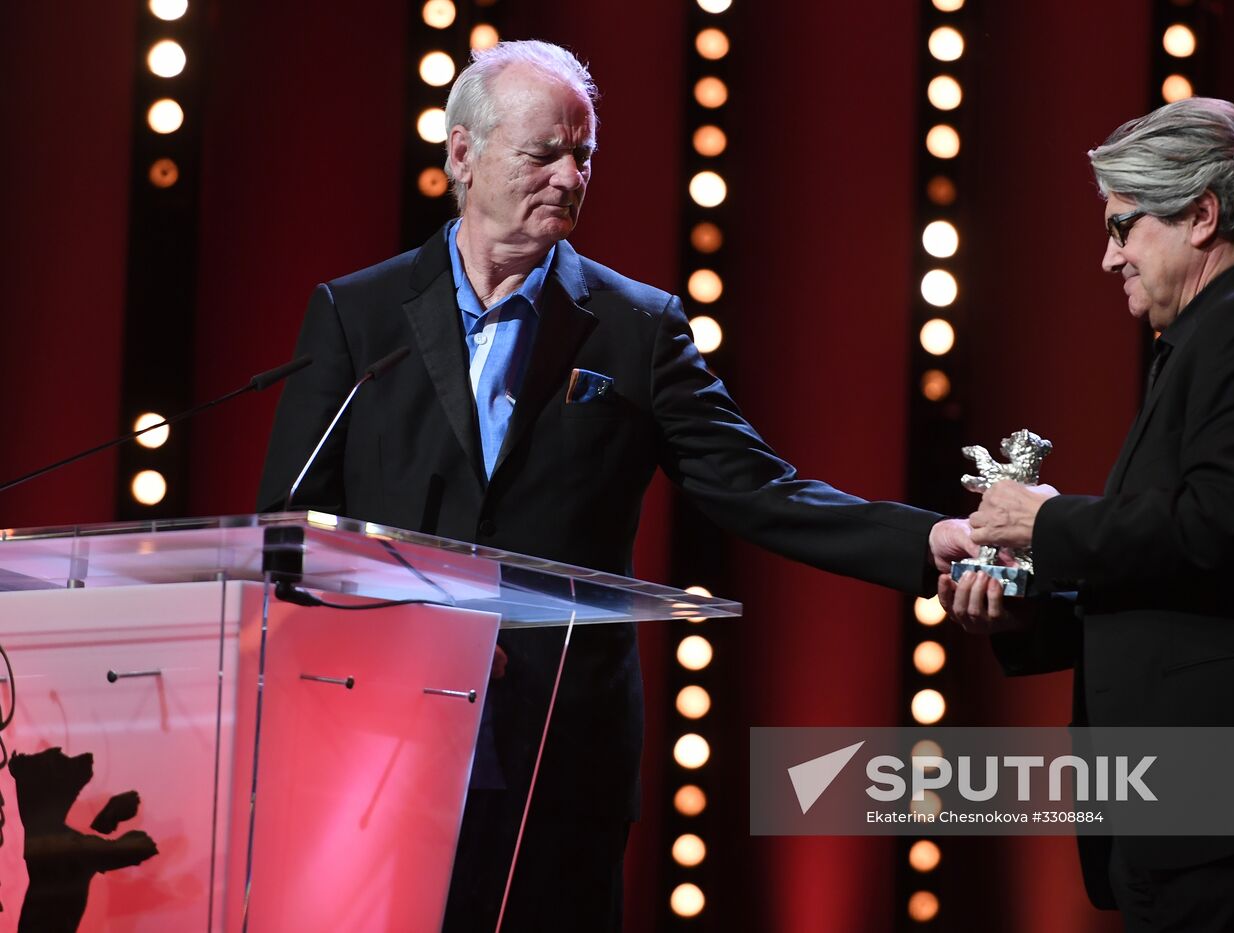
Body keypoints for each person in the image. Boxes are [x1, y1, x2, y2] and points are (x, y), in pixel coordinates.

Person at [257, 40, 975, 932]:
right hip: (374, 742)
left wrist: (925, 539)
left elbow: (754, 487)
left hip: (559, 750)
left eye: (582, 155)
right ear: (461, 155)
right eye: (541, 154)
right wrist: (407, 639)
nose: (567, 176)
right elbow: (287, 537)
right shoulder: (357, 315)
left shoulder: (637, 328)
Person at [941, 97, 1234, 932]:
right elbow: (1187, 580)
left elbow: (1213, 528)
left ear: (1202, 216)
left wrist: (1044, 520)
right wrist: (1027, 610)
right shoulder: (1210, 335)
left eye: (1122, 227)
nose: (1109, 259)